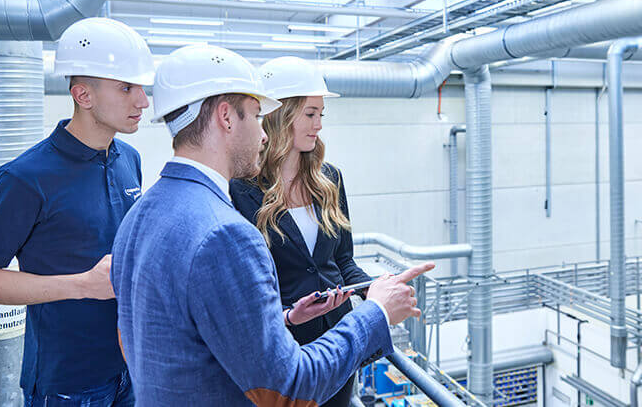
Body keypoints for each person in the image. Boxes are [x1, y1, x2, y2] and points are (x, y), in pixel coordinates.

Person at [111, 44, 434, 406]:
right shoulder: (226, 233)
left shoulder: (138, 216)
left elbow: (141, 339)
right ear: (226, 117)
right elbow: (290, 387)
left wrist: (282, 319)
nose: (263, 135)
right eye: (255, 115)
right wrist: (376, 314)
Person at [0, 17, 155, 406]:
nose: (143, 101)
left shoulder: (128, 159)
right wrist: (82, 285)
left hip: (130, 367)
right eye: (127, 88)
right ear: (84, 95)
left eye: (142, 87)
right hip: (67, 384)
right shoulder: (25, 178)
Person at [230, 56, 369, 407]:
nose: (319, 125)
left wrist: (372, 287)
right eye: (310, 114)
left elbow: (342, 260)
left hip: (337, 340)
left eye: (321, 114)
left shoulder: (330, 179)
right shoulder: (242, 189)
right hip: (282, 346)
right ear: (281, 114)